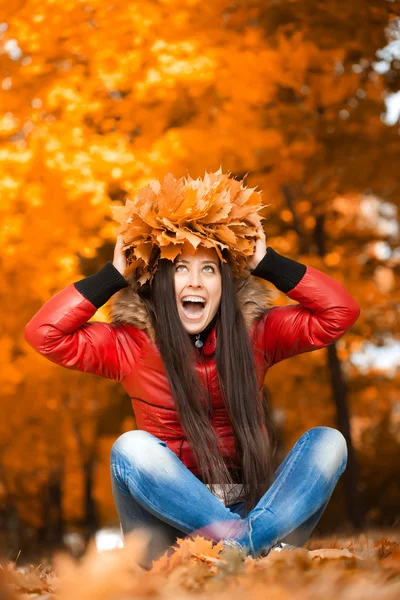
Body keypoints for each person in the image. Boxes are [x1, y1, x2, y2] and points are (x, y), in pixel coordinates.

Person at [24, 169, 360, 569]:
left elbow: (340, 312)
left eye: (209, 269)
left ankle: (242, 545)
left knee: (329, 442)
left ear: (225, 283)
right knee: (130, 448)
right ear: (162, 283)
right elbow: (44, 334)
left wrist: (268, 263)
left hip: (252, 505)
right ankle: (248, 545)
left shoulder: (256, 335)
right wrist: (111, 276)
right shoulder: (130, 344)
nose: (194, 281)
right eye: (180, 268)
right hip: (166, 531)